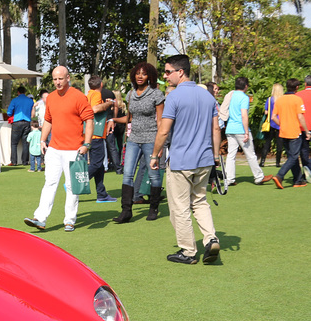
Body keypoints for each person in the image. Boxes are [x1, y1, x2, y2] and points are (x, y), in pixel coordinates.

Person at [149, 54, 221, 265]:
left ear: (180, 72)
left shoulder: (174, 97)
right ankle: (211, 238)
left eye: (168, 71)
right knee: (199, 201)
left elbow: (163, 130)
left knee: (179, 207)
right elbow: (216, 129)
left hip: (181, 161)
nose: (165, 76)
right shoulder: (208, 96)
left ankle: (188, 251)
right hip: (205, 159)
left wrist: (155, 155)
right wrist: (215, 157)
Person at [23, 66, 93, 232]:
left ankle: (69, 220)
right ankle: (40, 218)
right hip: (54, 148)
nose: (57, 82)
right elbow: (48, 120)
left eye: (60, 78)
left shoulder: (78, 97)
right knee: (50, 183)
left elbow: (89, 121)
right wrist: (42, 140)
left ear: (68, 78)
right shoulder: (51, 98)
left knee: (71, 186)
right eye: (55, 79)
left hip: (74, 149)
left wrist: (87, 144)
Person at [113, 62, 165, 223]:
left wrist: (160, 144)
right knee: (127, 174)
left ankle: (153, 208)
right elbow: (130, 118)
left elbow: (160, 121)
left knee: (153, 175)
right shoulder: (130, 94)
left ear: (150, 76)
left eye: (144, 74)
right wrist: (112, 119)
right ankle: (126, 211)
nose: (140, 76)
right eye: (137, 73)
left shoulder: (156, 94)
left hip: (151, 139)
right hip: (134, 139)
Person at [263, 78, 310, 189]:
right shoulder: (297, 99)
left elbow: (273, 117)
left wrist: (281, 124)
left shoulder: (280, 100)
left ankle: (298, 180)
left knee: (291, 156)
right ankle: (280, 175)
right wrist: (307, 131)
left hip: (283, 132)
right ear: (297, 87)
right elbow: (300, 116)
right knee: (293, 157)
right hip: (294, 132)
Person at [222, 76, 266, 187]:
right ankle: (259, 177)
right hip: (240, 129)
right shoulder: (244, 97)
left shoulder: (231, 95)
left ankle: (229, 179)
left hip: (230, 129)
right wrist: (246, 131)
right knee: (250, 154)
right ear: (246, 86)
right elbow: (244, 115)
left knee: (231, 155)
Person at [85, 75, 117, 203]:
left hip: (91, 133)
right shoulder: (97, 95)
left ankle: (101, 194)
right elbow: (95, 109)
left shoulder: (88, 95)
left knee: (98, 166)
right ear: (101, 85)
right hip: (96, 134)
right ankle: (77, 182)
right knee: (97, 163)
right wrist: (109, 103)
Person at [6, 86, 34, 166]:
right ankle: (25, 161)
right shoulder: (30, 101)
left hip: (17, 122)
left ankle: (14, 162)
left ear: (18, 92)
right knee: (25, 143)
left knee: (14, 143)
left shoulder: (15, 100)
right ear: (25, 92)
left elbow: (9, 113)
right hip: (27, 122)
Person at [257, 83, 284, 167]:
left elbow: (266, 111)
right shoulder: (282, 100)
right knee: (279, 144)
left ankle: (262, 161)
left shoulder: (269, 100)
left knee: (267, 143)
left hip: (271, 123)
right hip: (280, 123)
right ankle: (278, 162)